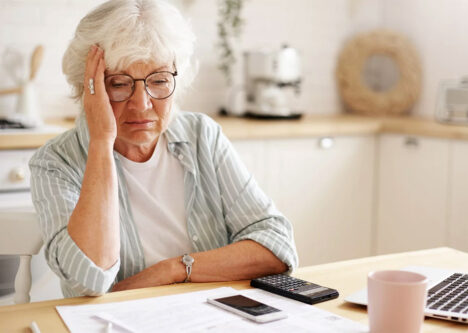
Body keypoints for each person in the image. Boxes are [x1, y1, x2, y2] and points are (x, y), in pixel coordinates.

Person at [29, 0, 298, 298]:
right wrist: (101, 142)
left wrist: (173, 270)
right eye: (119, 84)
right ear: (88, 88)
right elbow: (88, 281)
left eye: (158, 80)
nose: (142, 104)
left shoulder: (201, 136)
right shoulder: (54, 162)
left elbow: (276, 246)